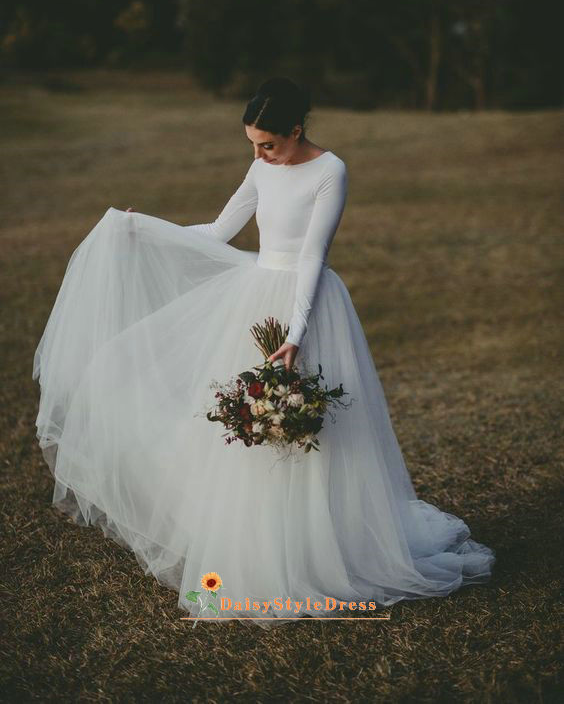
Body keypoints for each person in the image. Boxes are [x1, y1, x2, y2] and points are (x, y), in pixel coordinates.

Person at [32, 77, 495, 629]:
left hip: (307, 307)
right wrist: (148, 232)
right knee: (246, 429)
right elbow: (219, 230)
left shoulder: (330, 172)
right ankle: (255, 545)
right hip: (253, 297)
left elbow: (311, 260)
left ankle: (324, 550)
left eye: (268, 144)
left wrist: (295, 336)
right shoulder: (260, 167)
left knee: (311, 431)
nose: (259, 154)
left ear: (297, 130)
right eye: (252, 144)